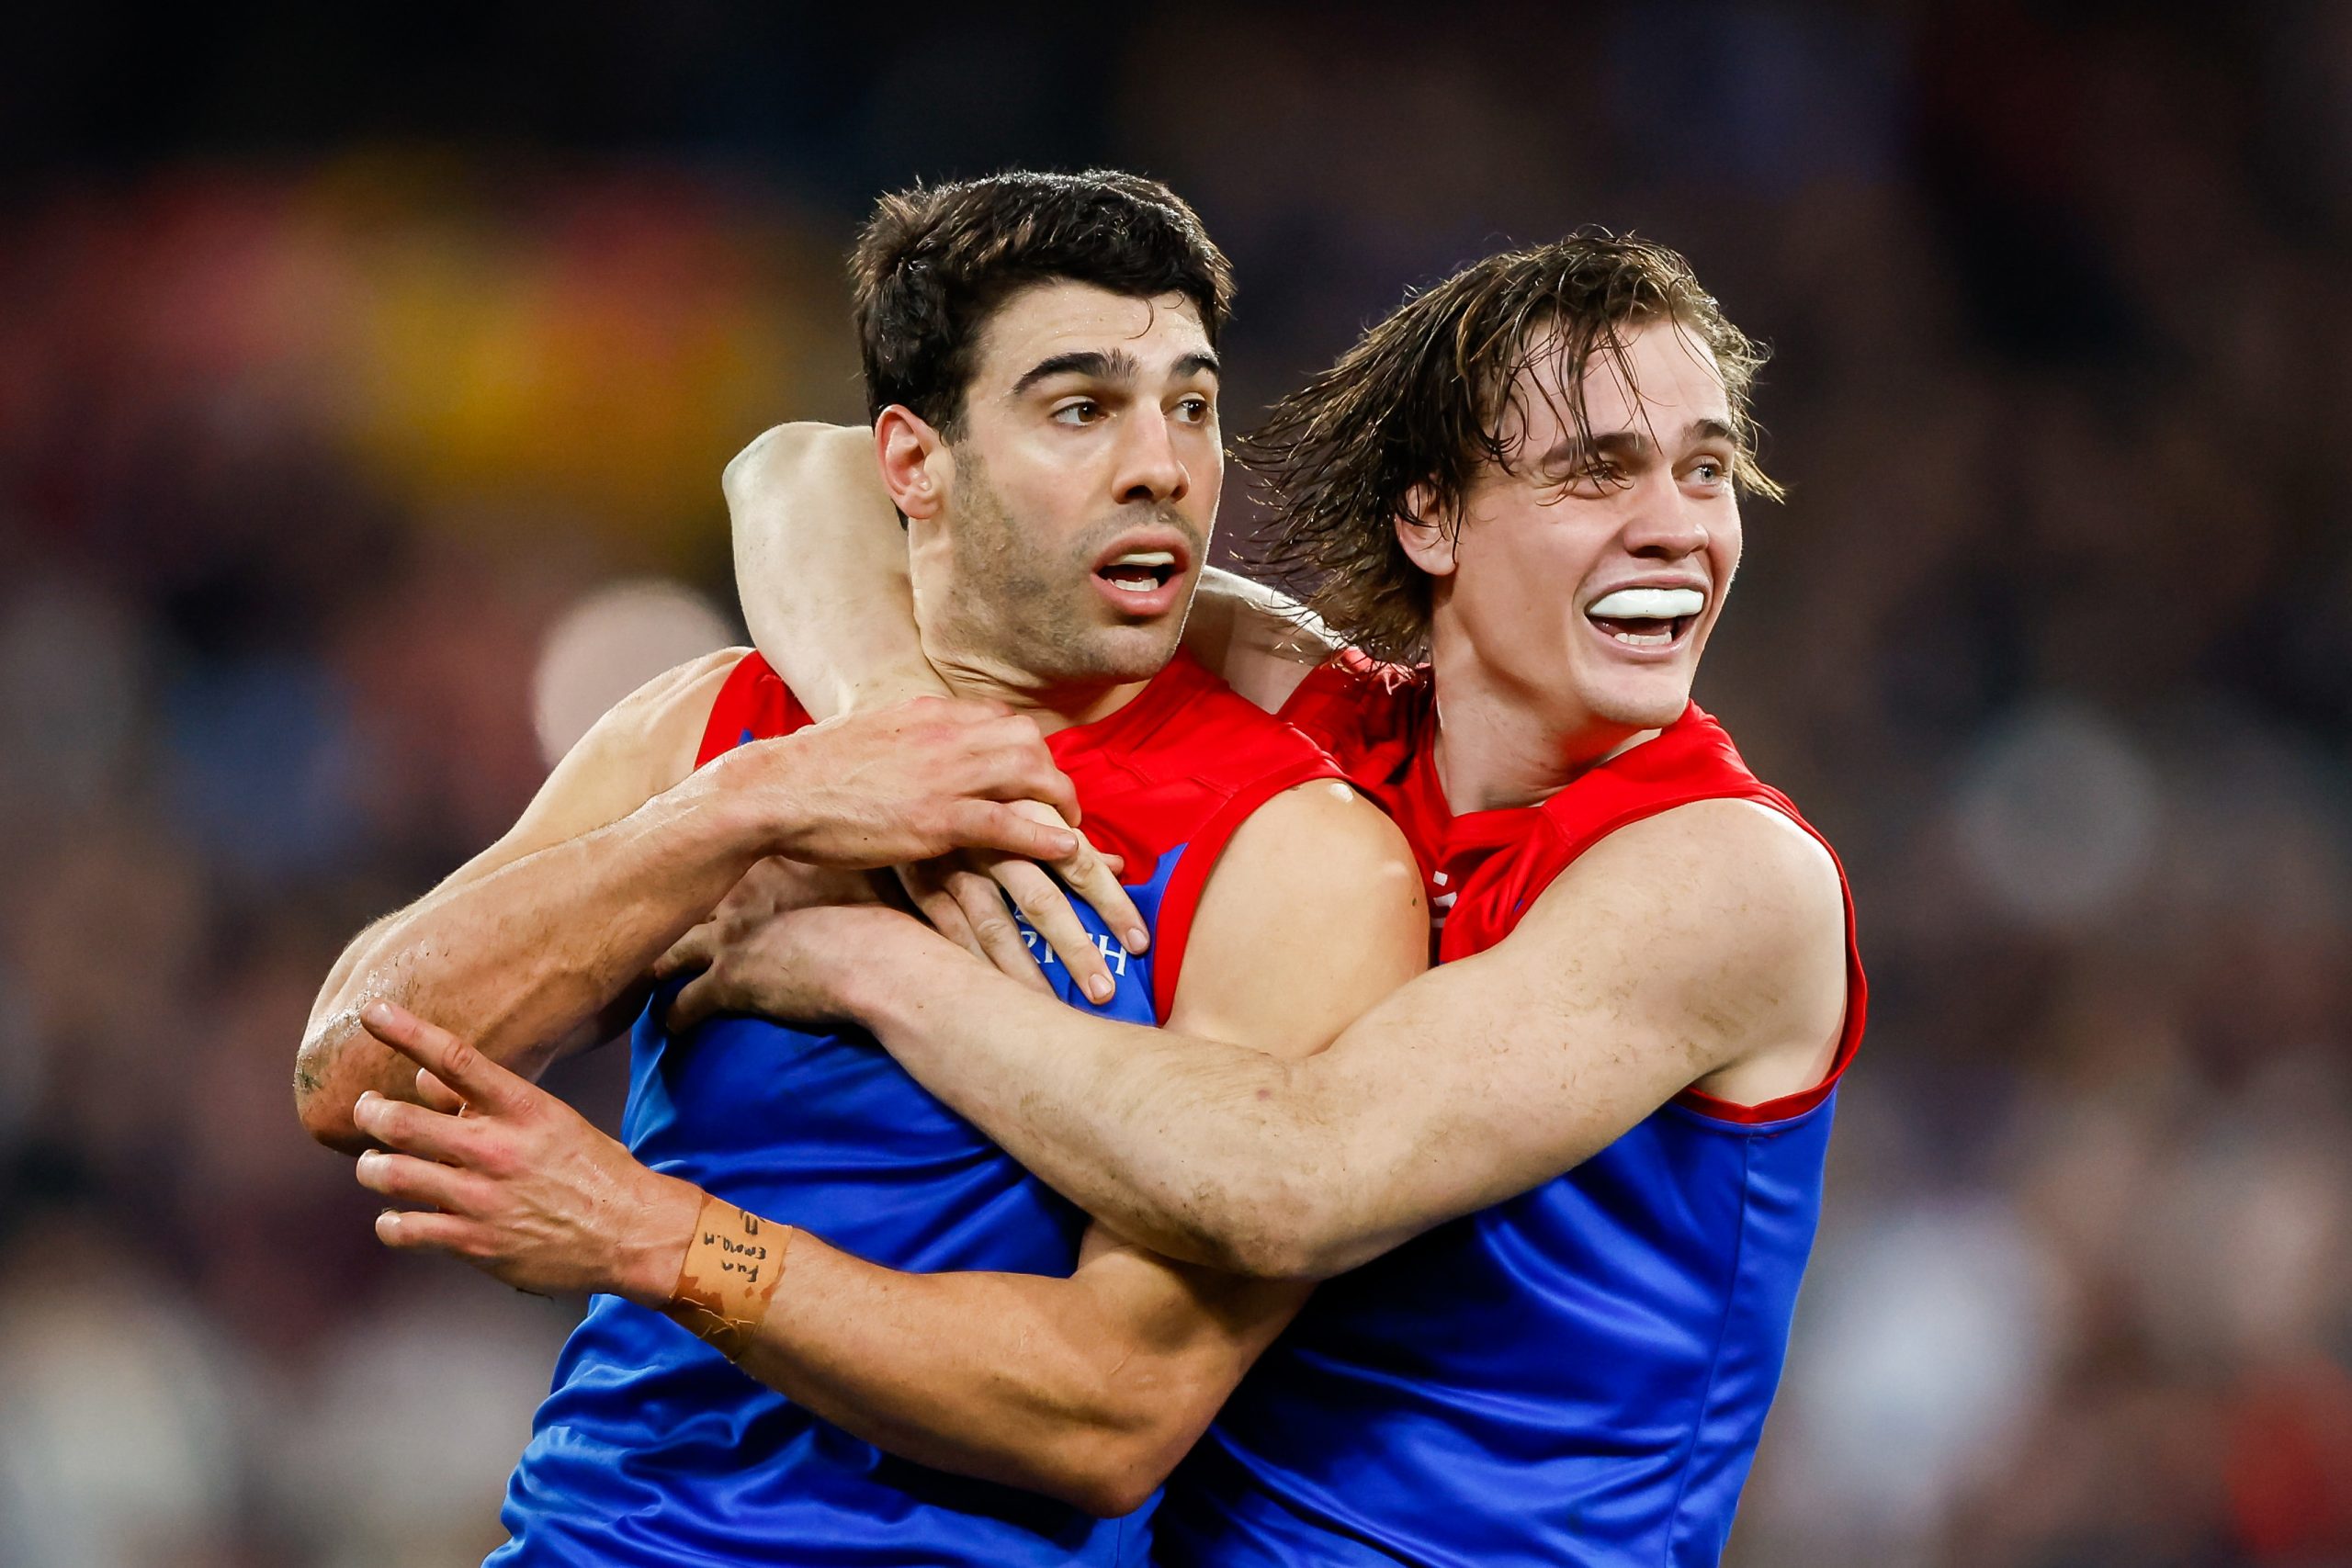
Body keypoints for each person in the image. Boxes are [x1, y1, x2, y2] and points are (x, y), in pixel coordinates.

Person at [294, 170, 1427, 1565]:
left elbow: (1116, 1413)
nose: (1164, 467)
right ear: (911, 463)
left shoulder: (1298, 849)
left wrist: (647, 1233)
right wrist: (750, 807)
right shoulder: (720, 730)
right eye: (1082, 408)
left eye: (1189, 405)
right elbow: (349, 1074)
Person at [696, 232, 1867, 1565]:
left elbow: (1292, 1185)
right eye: (1596, 471)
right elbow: (806, 471)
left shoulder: (1731, 874)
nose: (1676, 523)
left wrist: (868, 966)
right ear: (1430, 516)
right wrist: (900, 738)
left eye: (1704, 468)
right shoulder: (1320, 720)